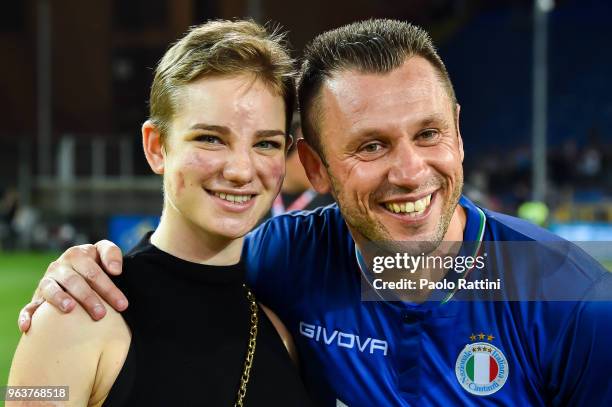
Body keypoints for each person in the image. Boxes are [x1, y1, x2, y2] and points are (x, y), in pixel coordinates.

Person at [18, 19, 612, 406]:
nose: (409, 172)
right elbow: (183, 276)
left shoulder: (573, 304)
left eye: (429, 133)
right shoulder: (286, 261)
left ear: (459, 133)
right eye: (371, 145)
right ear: (316, 167)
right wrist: (80, 271)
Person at [8, 20, 313, 406]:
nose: (240, 170)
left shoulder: (282, 335)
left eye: (266, 144)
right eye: (210, 138)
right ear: (156, 147)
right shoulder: (69, 318)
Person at [263, 112, 334, 220]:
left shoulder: (331, 207)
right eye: (308, 152)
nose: (318, 163)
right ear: (285, 151)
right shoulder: (253, 199)